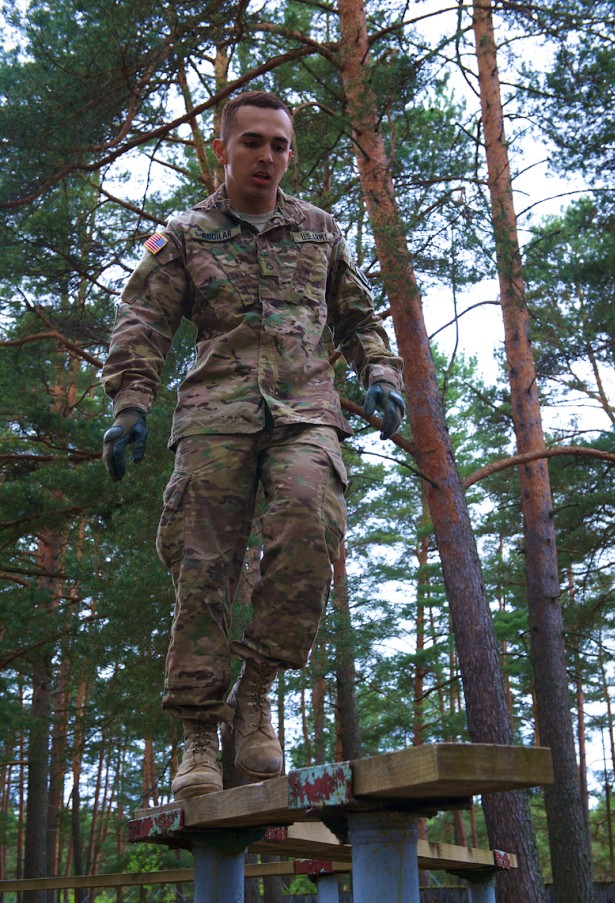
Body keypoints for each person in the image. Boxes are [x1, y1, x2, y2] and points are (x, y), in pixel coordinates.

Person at [101, 90, 404, 801]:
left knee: (310, 524)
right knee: (203, 566)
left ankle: (257, 689)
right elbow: (141, 323)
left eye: (280, 144)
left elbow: (358, 318)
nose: (268, 156)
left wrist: (381, 375)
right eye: (254, 142)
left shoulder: (320, 230)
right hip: (216, 414)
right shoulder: (184, 234)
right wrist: (130, 406)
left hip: (306, 409)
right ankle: (201, 730)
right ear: (224, 150)